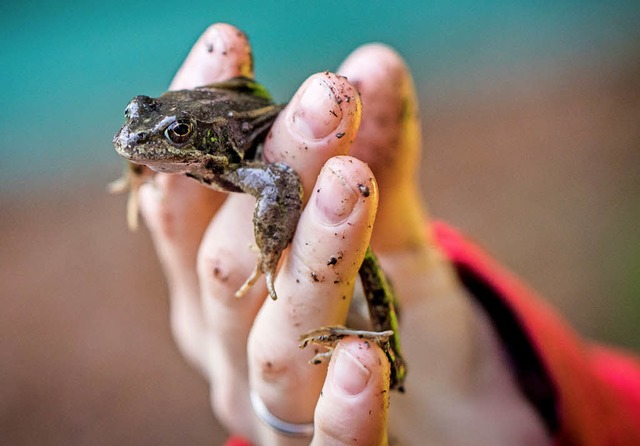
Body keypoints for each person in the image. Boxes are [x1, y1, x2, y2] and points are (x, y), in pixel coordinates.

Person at [134, 23, 640, 445]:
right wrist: (144, 163)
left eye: (176, 135)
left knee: (369, 268)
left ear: (196, 137)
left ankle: (392, 346)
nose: (137, 141)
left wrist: (268, 251)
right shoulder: (177, 149)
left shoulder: (235, 157)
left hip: (291, 170)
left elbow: (281, 178)